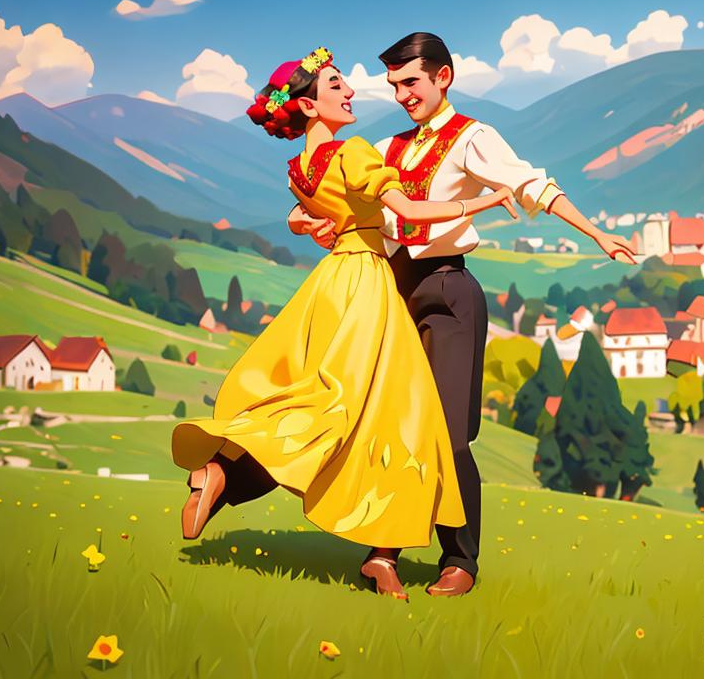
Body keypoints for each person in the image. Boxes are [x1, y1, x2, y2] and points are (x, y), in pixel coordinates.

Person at [289, 33, 636, 596]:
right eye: (394, 86)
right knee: (390, 427)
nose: (401, 95)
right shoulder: (385, 146)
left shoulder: (473, 137)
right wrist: (308, 221)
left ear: (442, 77)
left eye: (410, 83)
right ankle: (384, 554)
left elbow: (531, 185)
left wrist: (596, 232)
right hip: (394, 286)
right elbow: (333, 197)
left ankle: (460, 560)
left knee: (450, 435)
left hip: (449, 291)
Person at [170, 47, 517, 601]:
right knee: (380, 416)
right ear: (310, 104)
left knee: (323, 399)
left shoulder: (298, 168)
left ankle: (225, 473)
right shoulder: (353, 150)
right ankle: (397, 552)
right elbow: (408, 212)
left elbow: (311, 216)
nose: (351, 92)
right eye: (336, 85)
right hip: (370, 288)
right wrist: (484, 202)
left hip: (328, 287)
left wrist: (304, 221)